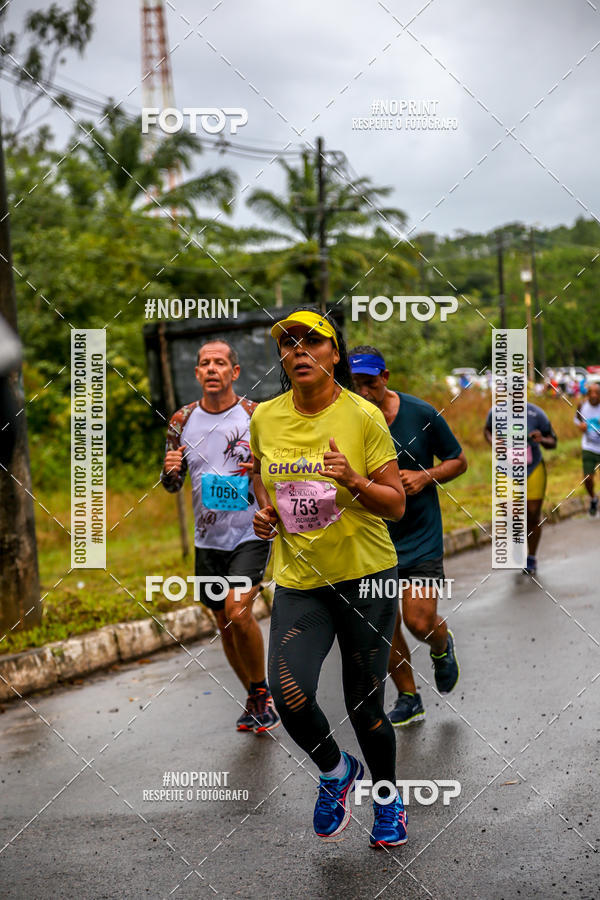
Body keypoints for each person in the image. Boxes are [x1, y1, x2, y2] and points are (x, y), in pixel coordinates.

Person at [250, 308, 408, 848]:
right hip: (299, 579)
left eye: (311, 342)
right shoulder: (265, 418)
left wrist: (354, 479)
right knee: (288, 693)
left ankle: (389, 802)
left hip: (366, 575)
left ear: (333, 354)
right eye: (288, 343)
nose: (299, 351)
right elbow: (261, 478)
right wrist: (264, 511)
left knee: (364, 703)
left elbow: (396, 505)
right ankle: (337, 771)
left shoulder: (363, 416)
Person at [161, 339, 279, 734]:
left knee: (237, 611)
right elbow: (172, 486)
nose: (212, 369)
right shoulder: (181, 420)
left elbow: (276, 466)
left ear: (235, 372)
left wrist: (260, 467)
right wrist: (169, 470)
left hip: (250, 532)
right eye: (205, 364)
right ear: (197, 373)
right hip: (207, 539)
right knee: (224, 622)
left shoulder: (255, 415)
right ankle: (253, 696)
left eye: (220, 363)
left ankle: (262, 691)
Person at [349, 347, 467, 728]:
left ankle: (441, 644)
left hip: (419, 535)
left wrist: (424, 476)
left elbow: (458, 460)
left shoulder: (420, 413)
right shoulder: (347, 420)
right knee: (381, 623)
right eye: (356, 385)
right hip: (371, 537)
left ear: (385, 376)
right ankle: (408, 696)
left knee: (418, 620)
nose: (364, 391)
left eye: (370, 382)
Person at [484, 399, 557, 576]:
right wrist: (494, 441)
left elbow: (552, 441)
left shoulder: (537, 414)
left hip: (533, 469)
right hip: (505, 470)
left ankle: (530, 557)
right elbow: (487, 431)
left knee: (532, 515)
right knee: (510, 513)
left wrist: (542, 439)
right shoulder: (495, 412)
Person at [575, 381, 600, 517]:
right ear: (588, 394)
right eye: (591, 393)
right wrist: (580, 426)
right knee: (588, 478)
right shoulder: (582, 405)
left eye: (597, 393)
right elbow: (577, 420)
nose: (594, 395)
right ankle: (593, 499)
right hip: (589, 446)